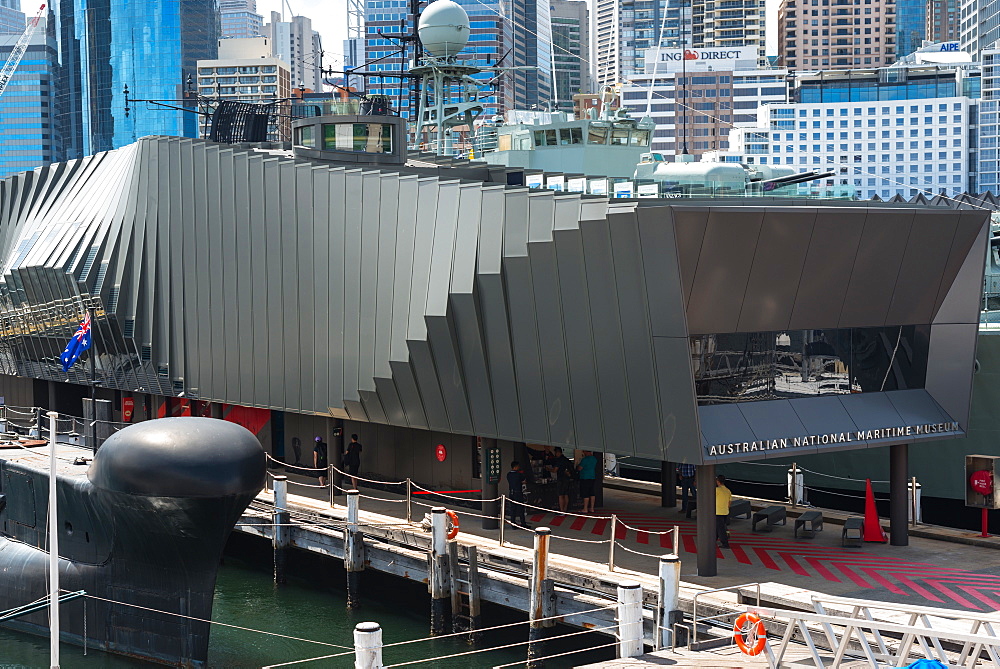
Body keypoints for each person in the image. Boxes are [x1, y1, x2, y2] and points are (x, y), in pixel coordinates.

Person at [548, 447, 574, 514]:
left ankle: (561, 510)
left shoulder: (559, 460)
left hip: (561, 479)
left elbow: (555, 470)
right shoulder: (566, 459)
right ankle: (565, 509)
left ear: (557, 452)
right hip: (567, 479)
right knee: (566, 494)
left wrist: (548, 469)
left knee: (560, 495)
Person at [506, 460, 528, 526]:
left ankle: (513, 523)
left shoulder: (509, 474)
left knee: (513, 509)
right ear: (515, 467)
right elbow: (524, 481)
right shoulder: (519, 474)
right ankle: (523, 523)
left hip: (511, 492)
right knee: (521, 509)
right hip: (518, 493)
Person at [715, 474, 732, 549]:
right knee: (718, 527)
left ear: (718, 481)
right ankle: (713, 539)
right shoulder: (728, 491)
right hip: (725, 512)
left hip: (717, 512)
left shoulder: (716, 490)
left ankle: (725, 543)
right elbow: (729, 503)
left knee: (721, 529)